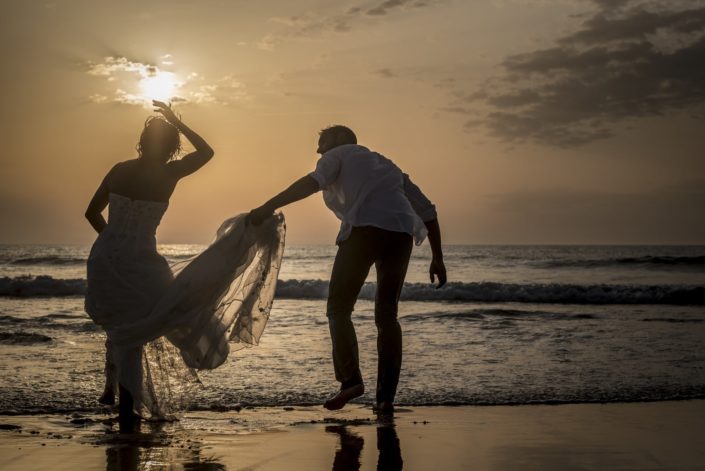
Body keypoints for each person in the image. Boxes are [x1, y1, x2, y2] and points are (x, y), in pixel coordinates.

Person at [84, 101, 286, 432]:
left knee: (120, 328)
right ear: (172, 147)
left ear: (143, 140)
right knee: (163, 315)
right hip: (142, 260)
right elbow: (206, 152)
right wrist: (177, 121)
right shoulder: (170, 173)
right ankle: (125, 405)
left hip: (105, 257)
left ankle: (118, 398)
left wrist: (112, 242)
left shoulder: (118, 169)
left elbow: (91, 212)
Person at [249, 125, 446, 412]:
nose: (318, 150)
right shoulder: (388, 165)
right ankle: (385, 398)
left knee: (338, 308)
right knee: (387, 316)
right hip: (401, 234)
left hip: (365, 231)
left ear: (340, 140)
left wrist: (267, 206)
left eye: (322, 142)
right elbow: (427, 211)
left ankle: (350, 380)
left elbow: (310, 183)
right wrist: (438, 257)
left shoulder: (338, 154)